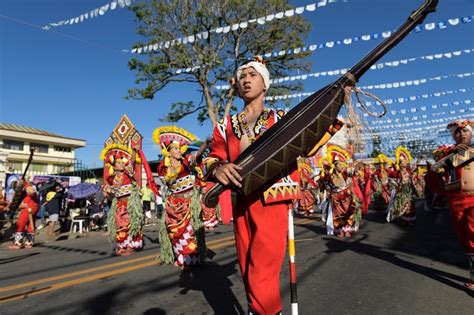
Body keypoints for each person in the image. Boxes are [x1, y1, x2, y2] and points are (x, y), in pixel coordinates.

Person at [203, 57, 342, 314]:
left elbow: (307, 144)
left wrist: (335, 101)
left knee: (261, 270)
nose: (245, 79)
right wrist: (217, 167)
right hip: (242, 201)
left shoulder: (281, 119)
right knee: (246, 268)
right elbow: (213, 157)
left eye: (252, 75)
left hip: (272, 197)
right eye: (242, 75)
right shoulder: (224, 126)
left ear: (265, 84)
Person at [153, 126, 208, 268]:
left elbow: (197, 156)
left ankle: (192, 258)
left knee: (190, 231)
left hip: (189, 202)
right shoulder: (163, 167)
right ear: (168, 151)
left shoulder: (186, 161)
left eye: (179, 148)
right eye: (175, 149)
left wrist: (206, 144)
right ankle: (182, 257)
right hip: (174, 203)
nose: (179, 151)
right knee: (175, 232)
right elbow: (165, 180)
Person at [432, 119, 474, 289]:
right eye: (458, 131)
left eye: (465, 131)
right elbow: (435, 169)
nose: (462, 134)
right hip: (456, 200)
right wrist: (452, 153)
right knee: (466, 240)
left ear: (471, 133)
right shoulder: (447, 153)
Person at [102, 145, 144, 256]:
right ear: (114, 166)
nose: (121, 164)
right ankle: (122, 245)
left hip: (130, 203)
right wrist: (108, 191)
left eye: (122, 162)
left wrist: (134, 151)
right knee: (120, 226)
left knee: (130, 224)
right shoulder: (111, 178)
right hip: (119, 204)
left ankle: (131, 246)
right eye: (119, 163)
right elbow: (112, 191)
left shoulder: (127, 173)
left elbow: (133, 161)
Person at [323, 145, 363, 237]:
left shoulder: (345, 174)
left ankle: (347, 229)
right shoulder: (330, 176)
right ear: (335, 166)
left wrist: (356, 164)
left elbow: (353, 170)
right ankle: (340, 230)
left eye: (342, 164)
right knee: (338, 216)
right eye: (339, 164)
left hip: (347, 197)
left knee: (349, 213)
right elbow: (327, 186)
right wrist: (328, 195)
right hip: (336, 199)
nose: (341, 166)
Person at [387, 146, 416, 225]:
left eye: (404, 162)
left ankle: (410, 220)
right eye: (402, 162)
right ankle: (404, 219)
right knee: (402, 205)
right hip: (402, 191)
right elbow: (391, 176)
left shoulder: (409, 171)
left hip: (408, 191)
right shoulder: (398, 172)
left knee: (409, 205)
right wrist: (388, 169)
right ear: (400, 164)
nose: (404, 163)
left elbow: (412, 177)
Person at [7, 182, 39, 249]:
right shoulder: (24, 192)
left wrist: (26, 186)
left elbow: (32, 193)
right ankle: (29, 242)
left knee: (20, 224)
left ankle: (18, 243)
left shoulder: (28, 187)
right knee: (31, 224)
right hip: (32, 207)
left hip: (29, 208)